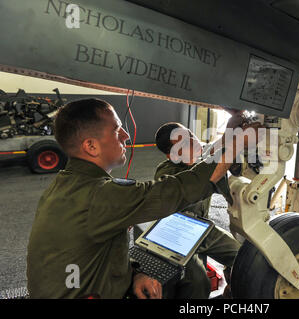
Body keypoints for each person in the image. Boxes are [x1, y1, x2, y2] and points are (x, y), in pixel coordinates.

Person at [26, 98, 259, 299]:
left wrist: (134, 274)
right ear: (91, 146)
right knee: (196, 278)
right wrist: (236, 142)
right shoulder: (99, 195)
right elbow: (179, 189)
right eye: (117, 130)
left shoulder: (66, 183)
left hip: (79, 286)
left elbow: (94, 258)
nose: (126, 136)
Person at [154, 121, 241, 298]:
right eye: (184, 144)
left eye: (191, 136)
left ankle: (233, 290)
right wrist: (236, 145)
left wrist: (235, 119)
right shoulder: (167, 174)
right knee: (198, 283)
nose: (194, 143)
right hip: (177, 235)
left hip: (203, 230)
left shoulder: (197, 155)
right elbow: (204, 175)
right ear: (172, 156)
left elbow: (220, 143)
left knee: (242, 256)